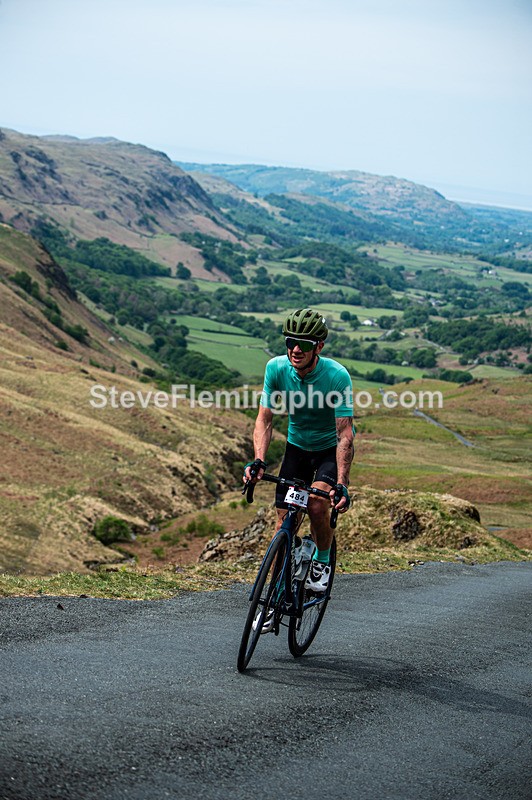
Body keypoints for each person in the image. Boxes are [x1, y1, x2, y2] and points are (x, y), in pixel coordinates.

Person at [244, 307, 354, 599]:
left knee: (317, 505)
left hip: (327, 452)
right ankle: (277, 594)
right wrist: (259, 460)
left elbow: (345, 435)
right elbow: (264, 420)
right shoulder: (276, 368)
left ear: (319, 346)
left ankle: (322, 560)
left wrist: (341, 482)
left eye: (304, 344)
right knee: (284, 525)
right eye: (291, 342)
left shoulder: (336, 376)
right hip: (296, 450)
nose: (295, 349)